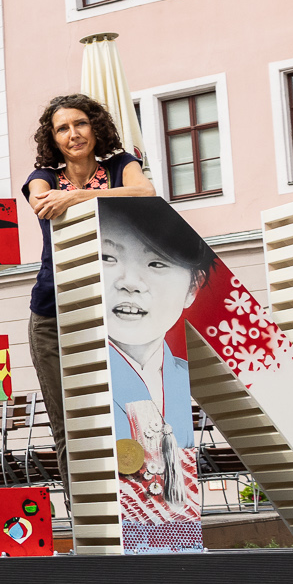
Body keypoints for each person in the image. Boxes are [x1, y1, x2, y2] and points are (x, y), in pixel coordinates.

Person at [22, 93, 155, 483]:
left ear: (95, 127)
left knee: (129, 414)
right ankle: (85, 525)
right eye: (62, 128)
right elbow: (40, 201)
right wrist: (66, 194)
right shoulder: (43, 176)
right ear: (53, 138)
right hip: (53, 314)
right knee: (70, 425)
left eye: (80, 123)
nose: (73, 133)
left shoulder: (119, 166)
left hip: (118, 309)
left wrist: (80, 196)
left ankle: (141, 518)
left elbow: (145, 193)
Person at [97, 198, 211, 547]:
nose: (130, 282)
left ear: (193, 286)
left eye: (157, 262)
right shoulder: (90, 381)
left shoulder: (179, 373)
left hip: (177, 534)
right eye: (107, 258)